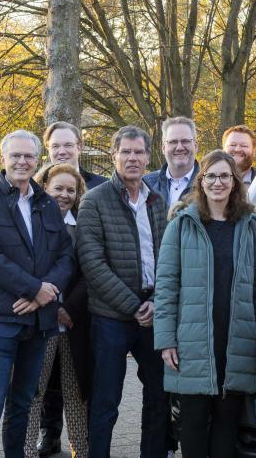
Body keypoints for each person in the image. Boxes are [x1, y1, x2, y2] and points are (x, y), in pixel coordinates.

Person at [154, 150, 256, 457]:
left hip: (236, 341)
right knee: (192, 426)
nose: (218, 182)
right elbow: (166, 288)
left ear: (235, 182)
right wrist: (166, 339)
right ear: (201, 181)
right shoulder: (181, 225)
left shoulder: (250, 226)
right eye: (211, 176)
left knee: (226, 428)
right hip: (192, 342)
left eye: (225, 176)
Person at [0, 131, 76, 458]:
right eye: (16, 155)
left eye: (28, 156)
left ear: (38, 160)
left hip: (38, 322)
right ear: (3, 158)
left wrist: (45, 294)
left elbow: (65, 256)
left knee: (23, 404)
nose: (22, 161)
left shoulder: (46, 203)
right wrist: (34, 288)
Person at [77, 126, 170, 458]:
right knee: (106, 400)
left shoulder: (157, 201)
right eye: (125, 152)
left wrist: (158, 301)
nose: (132, 158)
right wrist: (134, 306)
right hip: (112, 318)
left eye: (139, 152)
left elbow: (168, 258)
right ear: (113, 155)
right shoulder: (94, 201)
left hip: (154, 313)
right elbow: (92, 262)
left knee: (159, 395)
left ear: (148, 157)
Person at [23, 163, 91, 458]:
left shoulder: (84, 226)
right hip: (40, 320)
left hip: (74, 323)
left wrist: (69, 307)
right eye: (58, 189)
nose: (64, 195)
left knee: (76, 394)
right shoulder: (30, 223)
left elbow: (92, 270)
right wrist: (50, 304)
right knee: (33, 392)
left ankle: (82, 451)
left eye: (70, 190)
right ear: (44, 188)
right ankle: (25, 450)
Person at [143, 117, 198, 208]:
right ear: (164, 148)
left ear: (195, 146)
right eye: (173, 142)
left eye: (185, 141)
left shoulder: (209, 183)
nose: (179, 147)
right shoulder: (146, 184)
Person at [44, 121, 108, 190]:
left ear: (79, 147)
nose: (61, 152)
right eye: (55, 146)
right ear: (48, 149)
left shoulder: (103, 186)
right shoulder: (35, 186)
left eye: (68, 145)